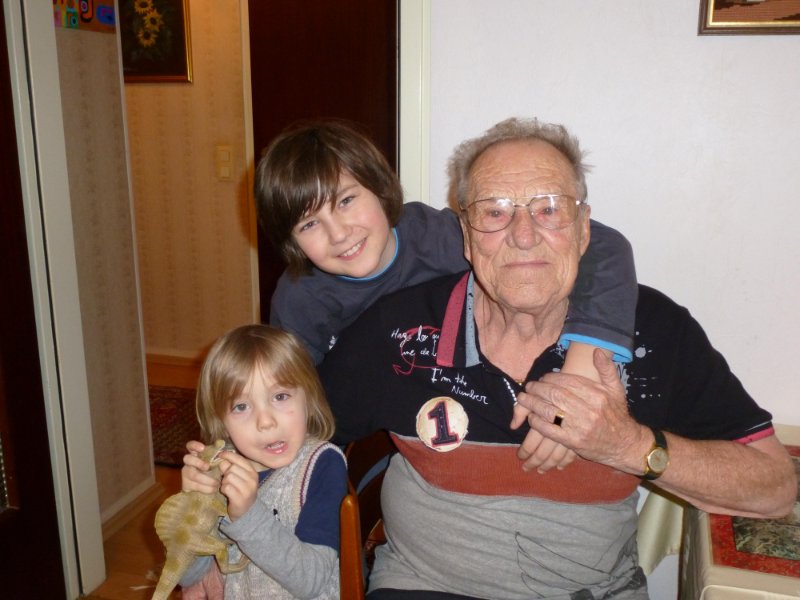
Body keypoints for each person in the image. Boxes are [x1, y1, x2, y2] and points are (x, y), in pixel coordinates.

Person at [314, 117, 796, 599]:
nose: (524, 235)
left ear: (585, 230)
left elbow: (773, 487)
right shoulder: (399, 331)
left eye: (549, 209)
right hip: (425, 586)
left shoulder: (653, 331)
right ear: (465, 235)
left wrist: (626, 444)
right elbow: (301, 432)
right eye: (494, 212)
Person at [256, 119, 638, 471]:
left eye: (346, 201)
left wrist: (584, 368)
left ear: (380, 187)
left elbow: (605, 245)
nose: (338, 233)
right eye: (309, 224)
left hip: (453, 418)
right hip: (372, 437)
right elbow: (285, 400)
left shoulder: (439, 237)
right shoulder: (299, 301)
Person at [178, 324, 347, 600]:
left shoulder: (323, 465)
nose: (265, 422)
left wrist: (247, 515)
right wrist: (194, 505)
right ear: (221, 422)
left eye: (280, 396)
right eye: (241, 406)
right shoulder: (219, 471)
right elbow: (188, 576)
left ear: (309, 398)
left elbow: (312, 581)